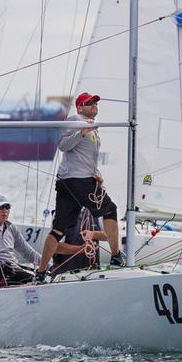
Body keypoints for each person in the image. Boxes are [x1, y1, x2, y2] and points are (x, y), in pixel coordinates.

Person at [36, 92, 126, 282]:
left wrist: (96, 175)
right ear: (79, 107)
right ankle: (117, 256)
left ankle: (41, 271)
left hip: (70, 181)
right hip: (78, 181)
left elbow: (82, 157)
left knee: (58, 229)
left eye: (95, 103)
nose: (94, 105)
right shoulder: (76, 120)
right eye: (89, 103)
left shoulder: (91, 125)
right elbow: (63, 145)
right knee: (110, 210)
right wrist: (81, 132)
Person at [0, 194, 42, 288]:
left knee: (40, 280)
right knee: (34, 282)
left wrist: (48, 264)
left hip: (14, 270)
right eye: (0, 207)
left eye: (7, 207)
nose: (4, 211)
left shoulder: (11, 228)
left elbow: (29, 253)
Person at [50, 207, 107, 277]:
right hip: (64, 276)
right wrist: (81, 249)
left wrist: (94, 234)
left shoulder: (98, 212)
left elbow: (109, 235)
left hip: (91, 276)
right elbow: (54, 247)